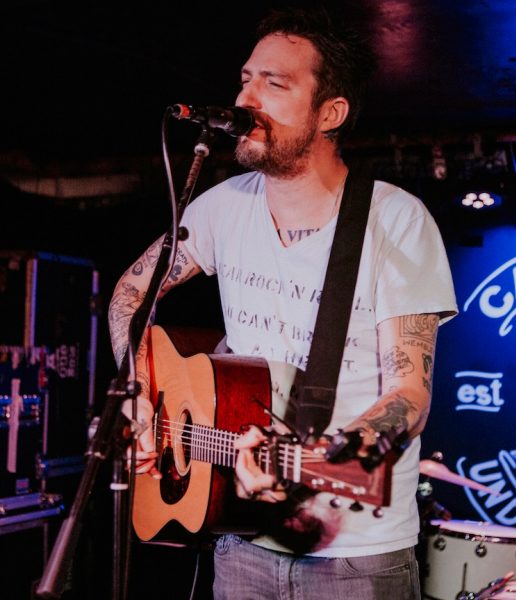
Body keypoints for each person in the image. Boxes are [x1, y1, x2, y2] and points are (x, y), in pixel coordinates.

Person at [108, 6, 458, 599]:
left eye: (275, 83)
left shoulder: (394, 221)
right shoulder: (220, 207)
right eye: (246, 78)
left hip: (355, 557)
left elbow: (410, 394)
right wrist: (141, 395)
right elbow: (130, 293)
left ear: (331, 112)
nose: (248, 97)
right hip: (238, 541)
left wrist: (324, 458)